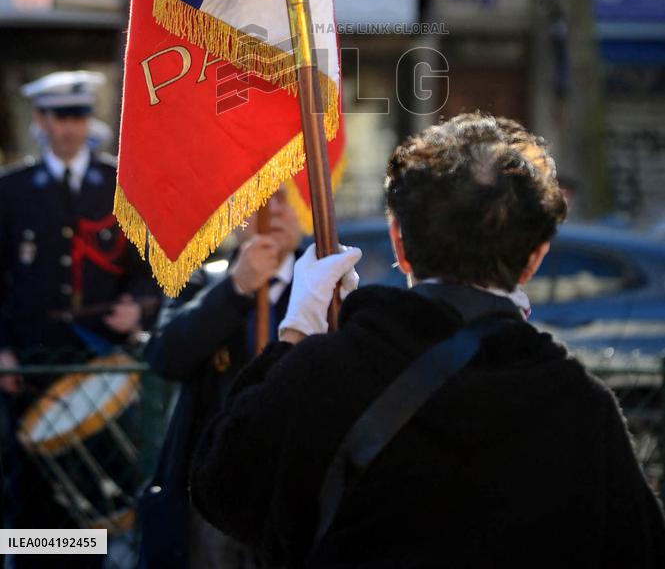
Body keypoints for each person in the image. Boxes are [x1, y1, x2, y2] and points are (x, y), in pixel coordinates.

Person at [190, 113, 665, 569]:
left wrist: (297, 335)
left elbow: (223, 489)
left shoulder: (328, 370)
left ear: (398, 242)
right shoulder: (582, 407)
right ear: (535, 258)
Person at [0, 71, 157, 560]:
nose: (69, 127)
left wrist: (138, 307)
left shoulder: (119, 184)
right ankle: (37, 559)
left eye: (79, 116)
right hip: (31, 365)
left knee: (102, 484)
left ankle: (88, 559)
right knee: (33, 486)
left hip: (103, 365)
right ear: (40, 120)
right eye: (60, 116)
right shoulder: (11, 190)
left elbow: (150, 269)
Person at [138, 188, 305, 569]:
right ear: (233, 217)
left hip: (296, 483)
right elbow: (165, 357)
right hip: (217, 488)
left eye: (283, 198)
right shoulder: (203, 281)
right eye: (258, 201)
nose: (273, 211)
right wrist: (236, 288)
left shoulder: (325, 283)